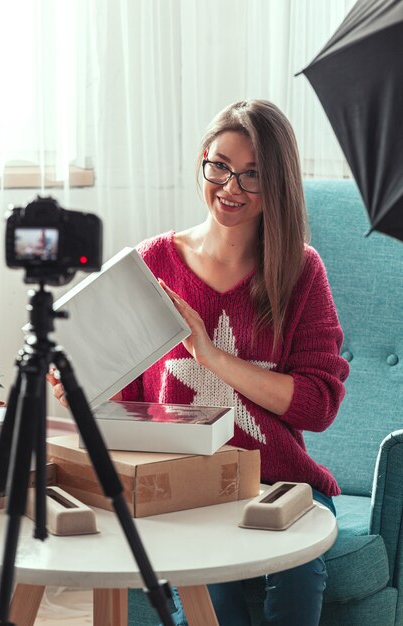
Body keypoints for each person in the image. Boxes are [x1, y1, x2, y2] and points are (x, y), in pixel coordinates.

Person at [49, 99, 350, 626]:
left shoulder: (301, 271)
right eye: (221, 167)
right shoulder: (151, 264)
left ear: (277, 183)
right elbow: (129, 406)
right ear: (202, 160)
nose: (231, 188)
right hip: (181, 488)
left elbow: (318, 406)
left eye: (253, 176)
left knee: (301, 575)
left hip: (278, 480)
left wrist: (208, 354)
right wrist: (80, 390)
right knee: (212, 595)